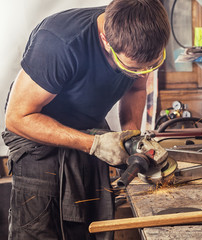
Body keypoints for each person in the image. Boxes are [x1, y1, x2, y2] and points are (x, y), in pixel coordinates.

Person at [2, 0, 170, 239]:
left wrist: (133, 137)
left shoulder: (142, 36)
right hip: (37, 139)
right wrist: (95, 144)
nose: (142, 74)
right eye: (133, 69)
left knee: (93, 225)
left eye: (149, 67)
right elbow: (17, 117)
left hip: (88, 128)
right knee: (40, 230)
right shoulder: (60, 43)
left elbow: (136, 89)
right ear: (105, 41)